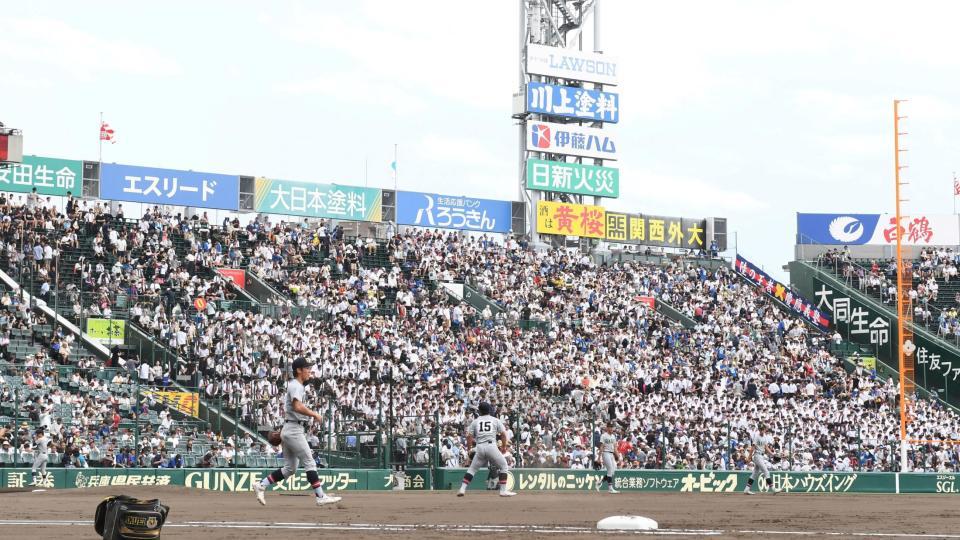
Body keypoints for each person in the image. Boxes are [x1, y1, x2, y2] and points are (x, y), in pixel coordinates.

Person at [253, 358, 341, 506]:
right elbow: (296, 406)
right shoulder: (296, 385)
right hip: (293, 429)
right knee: (310, 462)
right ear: (299, 370)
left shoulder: (297, 386)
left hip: (290, 428)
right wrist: (314, 414)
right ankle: (320, 496)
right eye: (307, 368)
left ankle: (261, 485)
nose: (309, 371)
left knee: (290, 468)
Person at [457, 402, 516, 497]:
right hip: (491, 446)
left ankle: (462, 489)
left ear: (479, 411)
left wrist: (469, 449)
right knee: (504, 466)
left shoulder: (475, 421)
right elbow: (504, 435)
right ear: (489, 410)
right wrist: (504, 447)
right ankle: (503, 490)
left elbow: (469, 436)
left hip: (479, 447)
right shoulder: (495, 420)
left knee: (472, 469)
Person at [744, 425, 780, 495]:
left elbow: (766, 447)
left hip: (761, 456)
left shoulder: (765, 437)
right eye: (760, 429)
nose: (761, 430)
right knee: (766, 471)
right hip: (757, 455)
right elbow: (753, 448)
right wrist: (749, 457)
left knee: (754, 474)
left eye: (763, 429)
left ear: (765, 429)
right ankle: (773, 489)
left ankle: (746, 489)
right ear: (759, 430)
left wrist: (773, 454)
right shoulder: (757, 437)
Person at [596, 422, 620, 494]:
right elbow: (601, 447)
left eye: (612, 427)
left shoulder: (613, 436)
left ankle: (600, 482)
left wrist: (617, 455)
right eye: (610, 427)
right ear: (607, 428)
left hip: (611, 454)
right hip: (605, 453)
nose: (611, 428)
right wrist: (599, 458)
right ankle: (610, 488)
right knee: (610, 469)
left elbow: (615, 447)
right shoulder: (603, 436)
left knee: (612, 471)